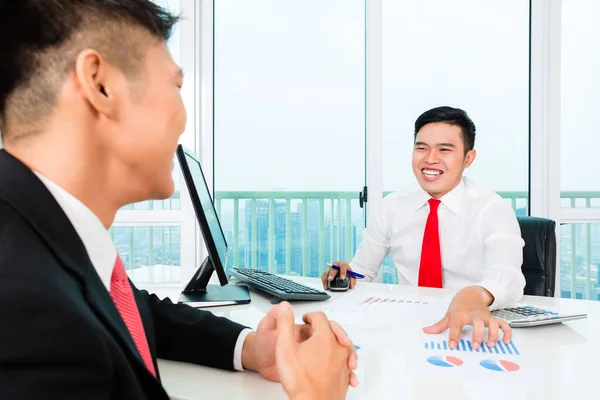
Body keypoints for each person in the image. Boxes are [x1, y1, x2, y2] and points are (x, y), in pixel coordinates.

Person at [0, 1, 357, 399]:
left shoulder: (37, 233)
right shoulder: (24, 309)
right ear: (100, 84)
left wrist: (252, 349)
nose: (183, 116)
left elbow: (134, 311)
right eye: (175, 86)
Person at [322, 106, 526, 351]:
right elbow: (363, 271)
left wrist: (476, 294)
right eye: (421, 148)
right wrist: (347, 274)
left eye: (444, 149)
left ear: (468, 158)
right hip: (407, 328)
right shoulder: (392, 206)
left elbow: (509, 278)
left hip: (469, 328)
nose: (430, 158)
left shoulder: (492, 209)